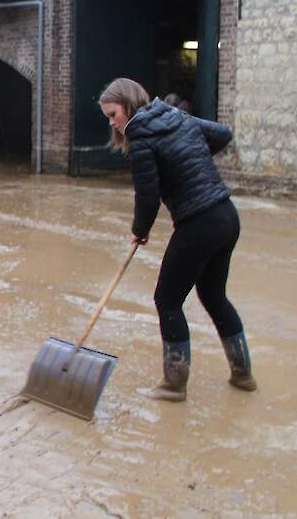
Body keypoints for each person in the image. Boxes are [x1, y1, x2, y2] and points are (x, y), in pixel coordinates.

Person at [98, 77, 256, 402]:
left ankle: (174, 385)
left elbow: (148, 197)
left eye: (113, 114)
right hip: (226, 215)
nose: (112, 122)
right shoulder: (176, 116)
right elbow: (222, 134)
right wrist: (191, 156)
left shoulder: (141, 137)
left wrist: (139, 230)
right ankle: (243, 376)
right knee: (213, 296)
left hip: (199, 222)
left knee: (167, 300)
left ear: (128, 105)